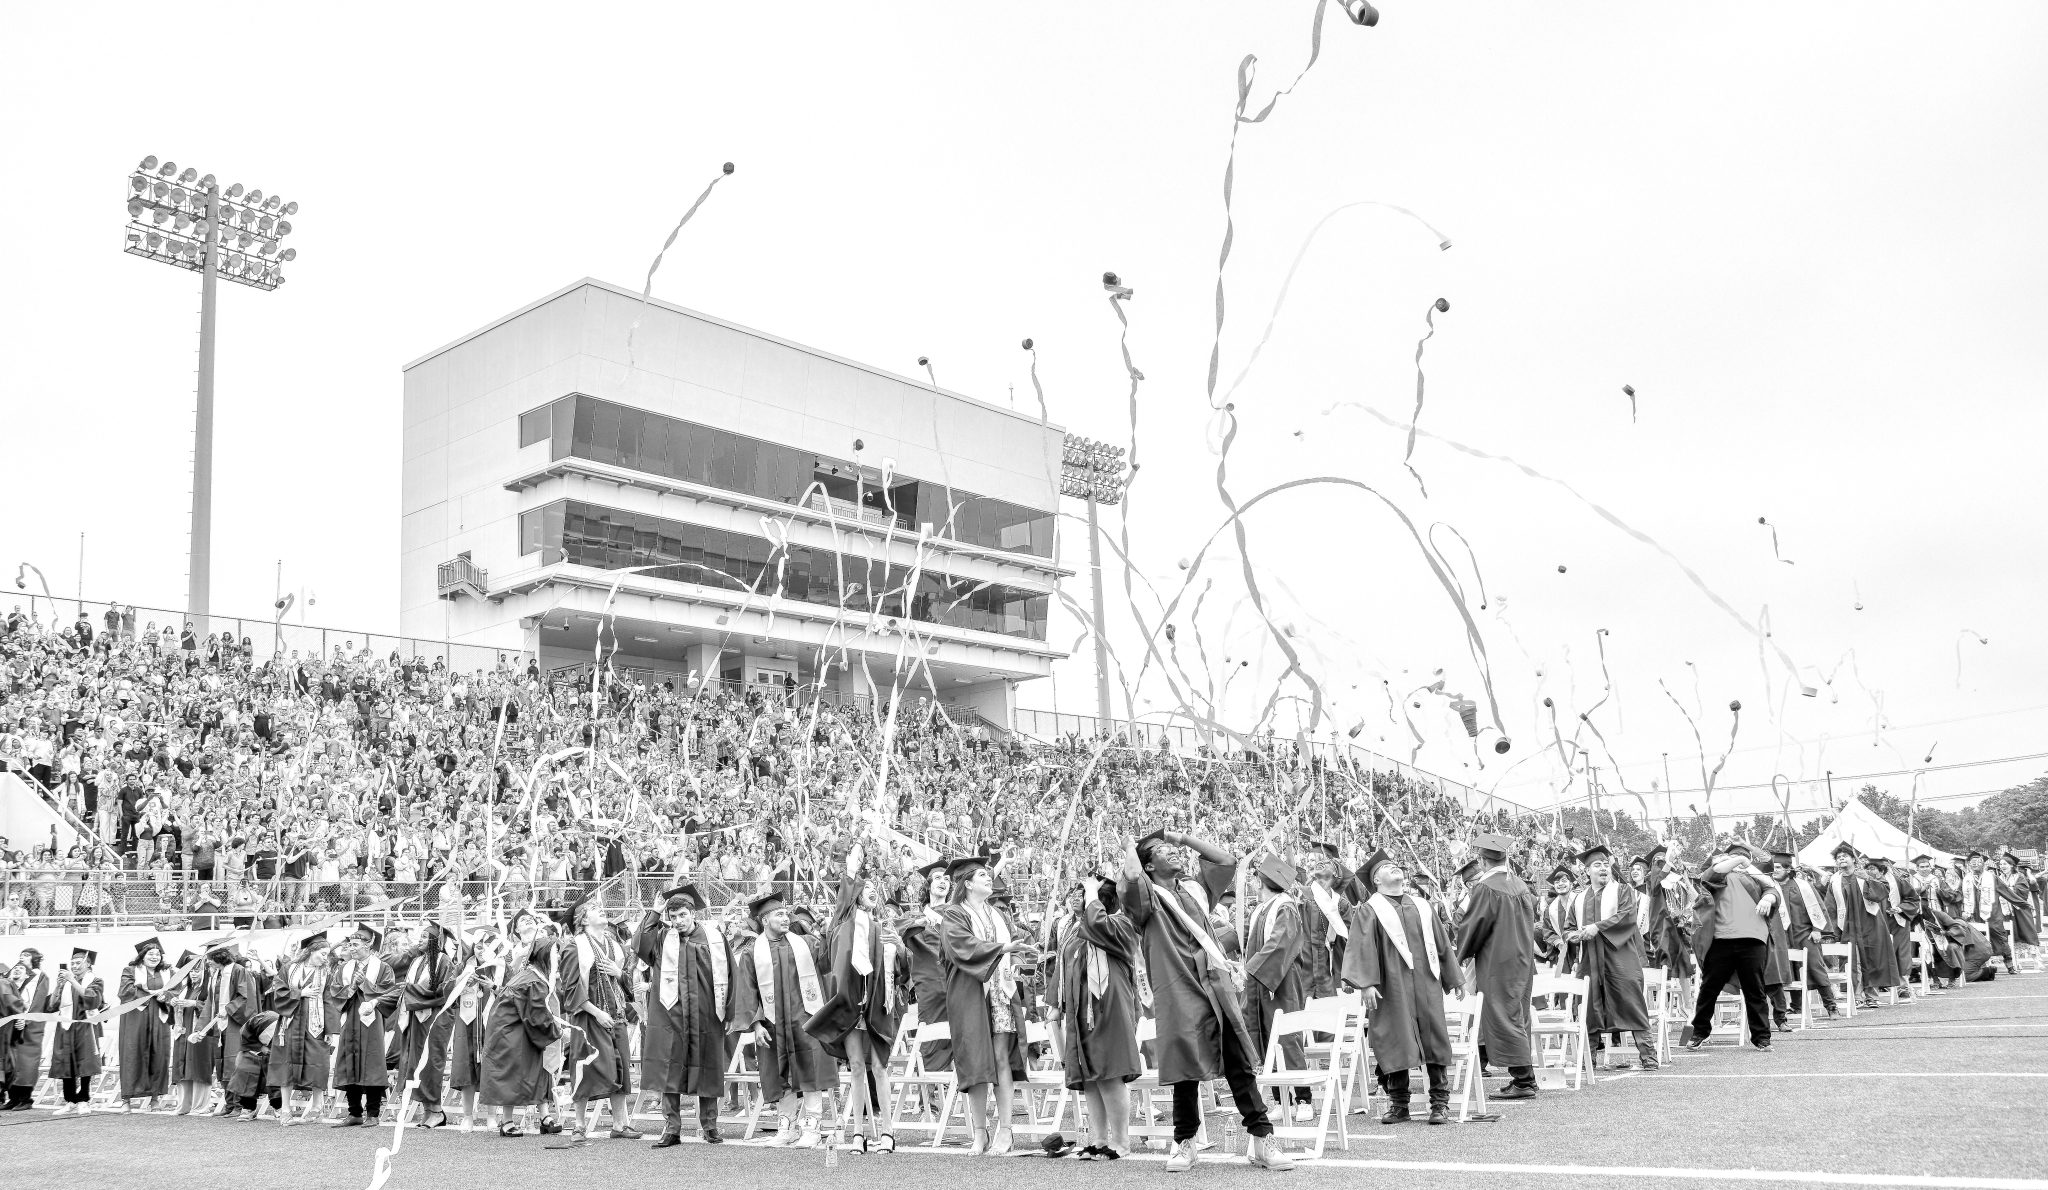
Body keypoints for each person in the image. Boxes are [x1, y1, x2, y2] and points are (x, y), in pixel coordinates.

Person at [1119, 827, 1291, 1173]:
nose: (1173, 852)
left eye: (1173, 849)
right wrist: (1129, 849)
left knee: (1238, 1062)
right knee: (1185, 1069)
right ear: (1148, 865)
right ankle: (1185, 1142)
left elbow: (1225, 860)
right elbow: (1131, 880)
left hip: (1215, 984)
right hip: (1178, 988)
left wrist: (1179, 837)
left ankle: (1263, 1139)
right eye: (1162, 850)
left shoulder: (1196, 890)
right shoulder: (1148, 900)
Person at [1343, 849, 1464, 1124]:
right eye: (1385, 867)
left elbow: (1442, 944)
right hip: (1391, 985)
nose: (1393, 866)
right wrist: (1366, 984)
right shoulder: (1370, 909)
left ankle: (1440, 1104)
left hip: (1426, 982)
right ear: (1375, 880)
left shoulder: (1422, 905)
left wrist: (1454, 978)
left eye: (1395, 864)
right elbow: (1362, 946)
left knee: (1434, 1036)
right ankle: (1399, 1105)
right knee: (1395, 1038)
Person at [938, 853, 1035, 1156]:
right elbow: (960, 946)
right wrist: (1004, 948)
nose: (988, 878)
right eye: (981, 875)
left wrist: (1019, 956)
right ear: (967, 883)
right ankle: (980, 1133)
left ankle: (1005, 1131)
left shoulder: (999, 914)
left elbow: (1015, 945)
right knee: (976, 1062)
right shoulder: (954, 913)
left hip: (1001, 992)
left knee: (1001, 1058)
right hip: (970, 993)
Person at [730, 886, 835, 1148]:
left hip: (806, 1020)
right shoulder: (752, 953)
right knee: (780, 1073)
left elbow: (830, 961)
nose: (785, 918)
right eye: (778, 914)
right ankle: (785, 1128)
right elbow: (747, 990)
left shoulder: (807, 943)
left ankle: (812, 1127)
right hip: (772, 1024)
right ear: (764, 921)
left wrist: (828, 932)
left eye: (786, 913)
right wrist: (755, 1024)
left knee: (810, 1070)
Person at [1048, 864, 1141, 1160]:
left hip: (1108, 1005)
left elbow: (1097, 924)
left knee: (1109, 1072)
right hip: (1081, 1009)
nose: (1081, 896)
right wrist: (1055, 1004)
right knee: (1090, 1075)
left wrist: (1092, 895)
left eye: (1087, 894)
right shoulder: (1077, 930)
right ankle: (1100, 1139)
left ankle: (1122, 1141)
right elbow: (1063, 968)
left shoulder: (1121, 923)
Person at [634, 882, 731, 1148]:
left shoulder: (713, 938)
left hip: (706, 1014)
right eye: (672, 916)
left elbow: (730, 974)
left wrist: (730, 1010)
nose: (677, 921)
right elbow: (639, 945)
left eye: (682, 916)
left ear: (693, 913)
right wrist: (654, 913)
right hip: (670, 1014)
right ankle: (671, 1128)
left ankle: (710, 1126)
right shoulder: (663, 938)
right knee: (669, 1067)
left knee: (708, 1068)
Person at [820, 843, 899, 1153]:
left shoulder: (882, 928)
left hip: (878, 1003)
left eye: (874, 888)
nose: (873, 892)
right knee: (855, 1067)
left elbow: (901, 966)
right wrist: (853, 863)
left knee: (879, 1068)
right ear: (855, 895)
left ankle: (888, 1132)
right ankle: (857, 1132)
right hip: (853, 1004)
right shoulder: (843, 927)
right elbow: (843, 899)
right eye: (866, 888)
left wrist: (898, 947)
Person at [1454, 833, 1539, 1099]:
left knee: (1504, 1017)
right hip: (1522, 963)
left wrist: (1458, 957)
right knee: (1516, 1016)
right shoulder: (1520, 885)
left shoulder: (1485, 888)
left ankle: (1524, 1081)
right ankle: (1525, 1078)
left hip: (1498, 964)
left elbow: (1474, 926)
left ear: (1481, 860)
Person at [1241, 852, 1313, 1123]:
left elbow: (1281, 943)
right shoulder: (1262, 909)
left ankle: (1304, 1098)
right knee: (1264, 1038)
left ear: (1261, 882)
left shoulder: (1285, 906)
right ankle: (1281, 1099)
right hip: (1259, 983)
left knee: (1287, 1038)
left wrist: (1251, 969)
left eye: (1256, 880)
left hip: (1279, 981)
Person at [562, 890, 637, 1139]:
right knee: (585, 1067)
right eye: (595, 909)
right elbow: (571, 989)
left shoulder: (614, 946)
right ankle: (579, 1125)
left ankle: (619, 1125)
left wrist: (618, 972)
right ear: (583, 919)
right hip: (589, 1017)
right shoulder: (575, 946)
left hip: (616, 1015)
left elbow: (628, 983)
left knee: (620, 1068)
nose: (601, 910)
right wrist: (596, 1013)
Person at [1685, 844, 1776, 1050]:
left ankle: (1762, 1038)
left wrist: (1769, 898)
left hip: (1753, 938)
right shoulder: (1718, 876)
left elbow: (1772, 890)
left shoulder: (1756, 879)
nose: (1737, 862)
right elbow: (1710, 875)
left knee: (1755, 990)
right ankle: (1700, 1031)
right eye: (1732, 858)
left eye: (1742, 859)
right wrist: (1739, 860)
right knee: (1709, 988)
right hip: (1720, 940)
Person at [480, 934, 568, 1137]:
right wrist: (559, 1033)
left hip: (516, 1029)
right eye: (556, 952)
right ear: (546, 954)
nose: (559, 956)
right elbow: (536, 1015)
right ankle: (507, 1121)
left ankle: (545, 1117)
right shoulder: (533, 980)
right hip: (510, 1032)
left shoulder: (531, 975)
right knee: (512, 1073)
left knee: (539, 1068)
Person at [382, 918, 458, 1128]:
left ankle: (435, 1109)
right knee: (415, 1063)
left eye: (425, 936)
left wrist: (412, 993)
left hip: (434, 1019)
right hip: (416, 1017)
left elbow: (444, 992)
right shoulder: (417, 961)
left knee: (431, 1063)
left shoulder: (444, 961)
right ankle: (429, 1110)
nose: (420, 940)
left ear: (435, 940)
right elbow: (406, 988)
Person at [329, 923, 395, 1128]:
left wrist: (365, 983)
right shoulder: (344, 968)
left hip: (372, 1021)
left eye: (356, 944)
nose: (352, 948)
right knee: (349, 1061)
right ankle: (354, 1112)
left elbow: (389, 992)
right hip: (350, 1020)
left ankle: (373, 1113)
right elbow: (335, 992)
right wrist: (352, 986)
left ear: (368, 946)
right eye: (350, 945)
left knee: (372, 1063)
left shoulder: (383, 968)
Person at [269, 934, 336, 1125]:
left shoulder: (326, 974)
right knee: (286, 1065)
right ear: (311, 951)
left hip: (316, 1025)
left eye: (327, 955)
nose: (325, 958)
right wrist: (300, 993)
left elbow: (329, 1001)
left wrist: (331, 1030)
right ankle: (286, 1110)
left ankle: (316, 1108)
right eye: (322, 954)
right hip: (290, 1024)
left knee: (317, 1063)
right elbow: (279, 992)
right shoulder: (289, 969)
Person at [1831, 846, 1901, 1006]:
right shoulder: (1834, 880)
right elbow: (1831, 906)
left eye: (1845, 856)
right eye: (1838, 857)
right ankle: (1857, 997)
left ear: (1853, 859)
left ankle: (1872, 997)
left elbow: (1882, 893)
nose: (1841, 858)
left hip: (1871, 923)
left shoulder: (1865, 875)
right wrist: (1832, 930)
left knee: (1872, 958)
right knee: (1852, 961)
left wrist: (1868, 879)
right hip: (1848, 926)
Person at [1777, 855, 1841, 1018]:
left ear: (1787, 869)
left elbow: (1818, 906)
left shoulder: (1803, 886)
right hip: (1782, 935)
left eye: (1778, 867)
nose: (1774, 871)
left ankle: (1831, 1006)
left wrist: (1817, 928)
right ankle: (1797, 1006)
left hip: (1805, 933)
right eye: (1773, 867)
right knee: (1790, 969)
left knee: (1815, 967)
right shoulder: (1772, 887)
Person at [117, 937, 175, 1111]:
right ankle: (126, 1099)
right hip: (136, 1019)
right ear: (142, 956)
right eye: (151, 953)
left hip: (159, 1019)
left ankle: (155, 1098)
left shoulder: (168, 972)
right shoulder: (130, 970)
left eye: (158, 954)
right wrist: (147, 992)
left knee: (158, 1055)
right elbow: (125, 991)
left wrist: (165, 996)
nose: (155, 956)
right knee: (132, 1054)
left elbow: (175, 991)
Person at [201, 942, 256, 1116]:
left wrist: (229, 1008)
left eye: (209, 957)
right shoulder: (216, 974)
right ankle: (229, 1103)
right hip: (220, 1025)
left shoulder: (238, 970)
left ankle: (240, 1104)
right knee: (221, 1062)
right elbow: (210, 1001)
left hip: (234, 1023)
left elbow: (245, 996)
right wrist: (201, 1027)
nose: (207, 961)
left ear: (219, 956)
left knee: (235, 1063)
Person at [48, 946, 104, 1115]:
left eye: (79, 963)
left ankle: (84, 1099)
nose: (74, 966)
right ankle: (70, 1100)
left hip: (85, 1025)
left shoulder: (96, 980)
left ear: (88, 965)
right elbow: (51, 1006)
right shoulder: (65, 982)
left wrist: (72, 980)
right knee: (66, 1063)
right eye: (72, 963)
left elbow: (92, 1000)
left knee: (85, 1061)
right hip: (66, 1026)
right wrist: (58, 986)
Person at [5, 949, 53, 1109]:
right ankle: (13, 1098)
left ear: (35, 958)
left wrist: (25, 1019)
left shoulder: (40, 976)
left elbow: (38, 1001)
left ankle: (25, 1099)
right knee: (12, 1062)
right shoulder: (16, 974)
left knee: (26, 1062)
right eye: (21, 955)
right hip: (13, 1023)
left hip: (30, 1025)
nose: (22, 958)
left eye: (26, 955)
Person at [226, 1010, 283, 1120]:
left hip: (273, 1054)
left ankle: (279, 1107)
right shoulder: (249, 1029)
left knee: (275, 1079)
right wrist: (260, 1047)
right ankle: (248, 1108)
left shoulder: (280, 1024)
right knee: (245, 1073)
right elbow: (246, 1039)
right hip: (250, 1052)